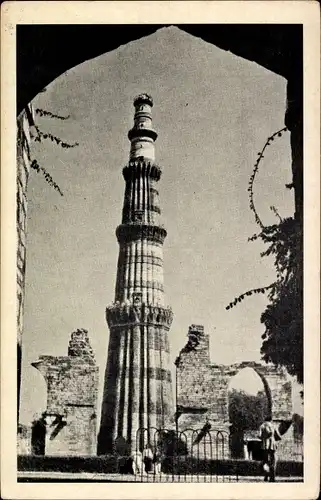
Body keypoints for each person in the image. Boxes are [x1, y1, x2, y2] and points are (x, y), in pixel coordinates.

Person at [259, 416, 282, 482]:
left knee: (265, 461)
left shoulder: (262, 426)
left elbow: (260, 436)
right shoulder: (273, 425)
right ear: (271, 420)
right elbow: (279, 436)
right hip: (272, 445)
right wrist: (275, 438)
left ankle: (266, 475)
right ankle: (272, 478)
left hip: (265, 445)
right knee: (273, 461)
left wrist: (264, 437)